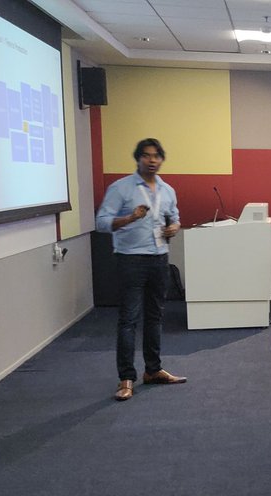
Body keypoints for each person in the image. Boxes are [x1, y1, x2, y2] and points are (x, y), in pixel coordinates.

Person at [95, 138, 185, 401]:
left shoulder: (168, 190)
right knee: (129, 320)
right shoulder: (120, 188)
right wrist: (130, 217)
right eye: (146, 156)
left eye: (156, 156)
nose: (152, 160)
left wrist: (174, 228)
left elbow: (175, 218)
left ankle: (153, 370)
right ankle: (126, 378)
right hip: (131, 260)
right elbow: (101, 223)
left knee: (155, 318)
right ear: (138, 159)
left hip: (159, 258)